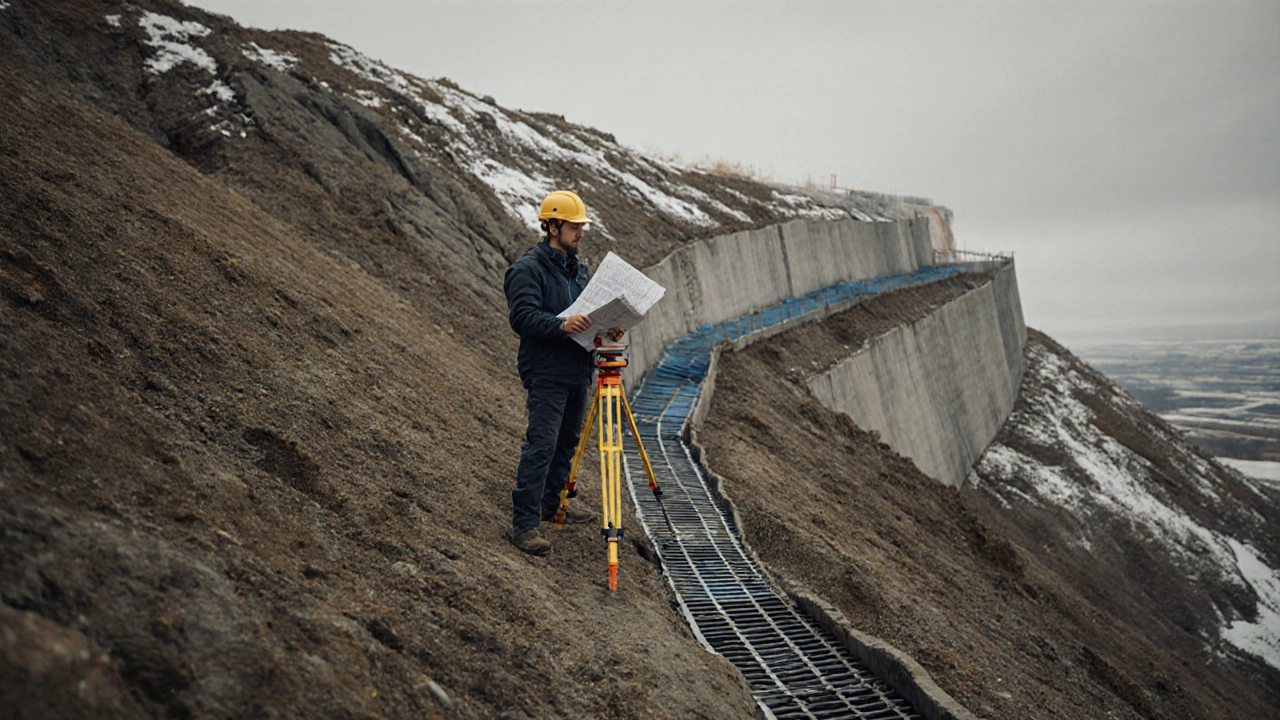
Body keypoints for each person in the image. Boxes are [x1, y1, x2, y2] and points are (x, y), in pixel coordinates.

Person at [503, 190, 619, 556]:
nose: (581, 233)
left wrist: (607, 329)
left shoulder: (578, 269)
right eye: (575, 226)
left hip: (577, 369)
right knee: (542, 445)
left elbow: (587, 316)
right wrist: (562, 324)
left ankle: (551, 505)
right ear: (553, 226)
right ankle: (524, 524)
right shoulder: (527, 269)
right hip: (547, 371)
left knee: (566, 444)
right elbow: (522, 318)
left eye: (582, 226)